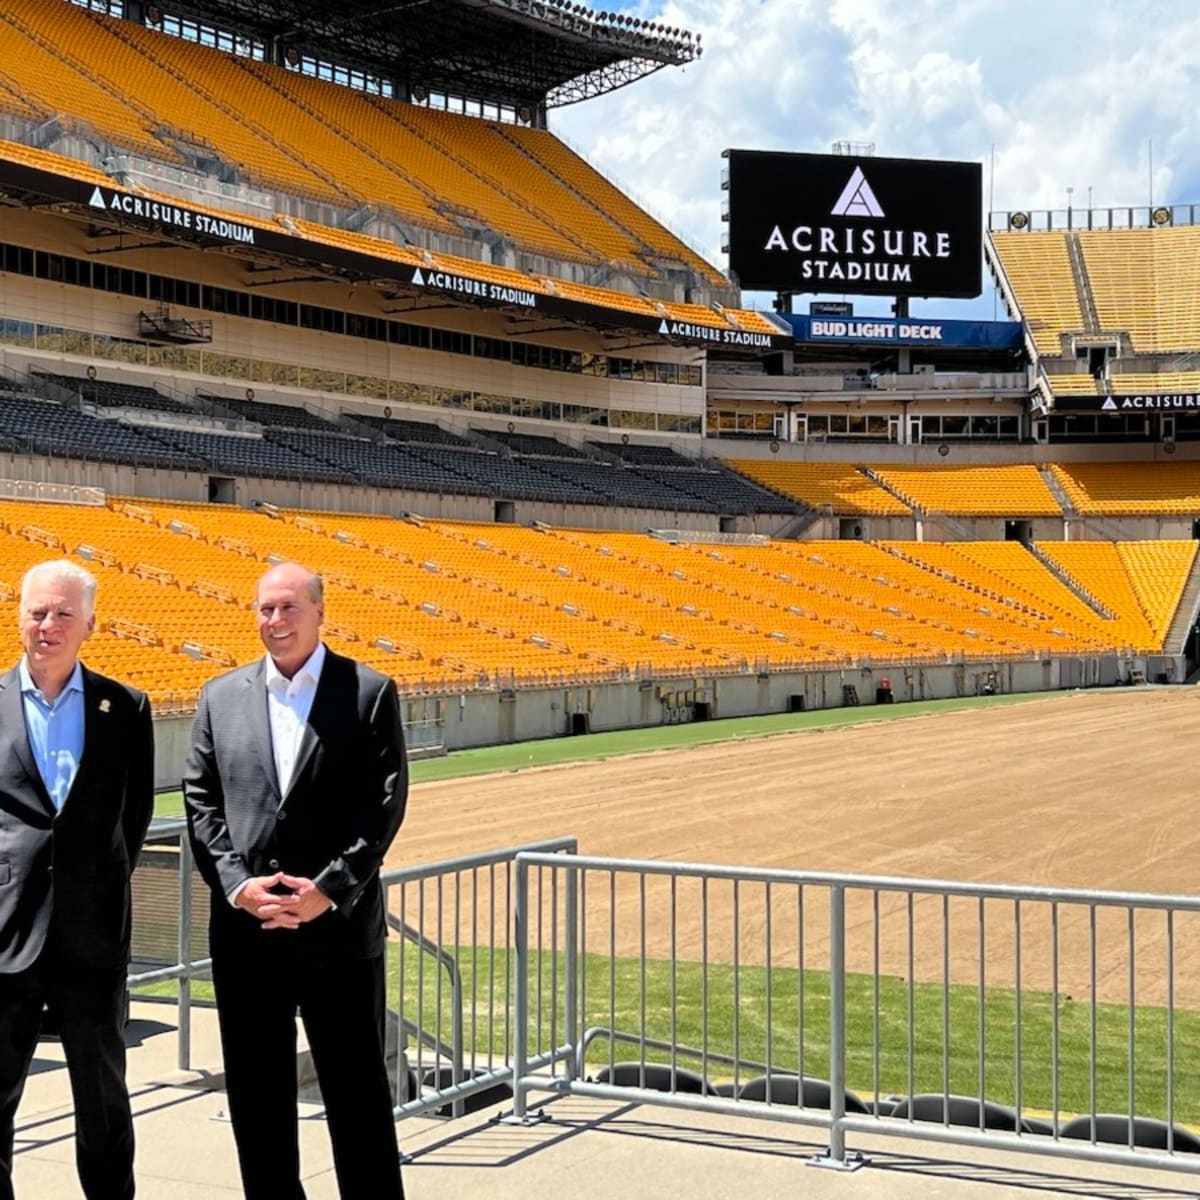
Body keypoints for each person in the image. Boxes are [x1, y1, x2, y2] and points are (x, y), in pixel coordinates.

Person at [183, 562, 408, 1200]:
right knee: (257, 1102)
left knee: (358, 1098)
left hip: (336, 936)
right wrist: (236, 885)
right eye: (264, 609)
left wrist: (327, 892)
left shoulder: (367, 691)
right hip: (247, 935)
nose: (274, 621)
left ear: (318, 612)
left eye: (287, 608)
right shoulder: (219, 695)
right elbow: (200, 800)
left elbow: (382, 807)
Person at [0, 559, 154, 1200]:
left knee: (102, 1104)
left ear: (91, 622)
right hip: (6, 936)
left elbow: (135, 816)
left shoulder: (126, 706)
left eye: (64, 612)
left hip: (93, 940)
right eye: (37, 611)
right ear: (18, 618)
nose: (49, 624)